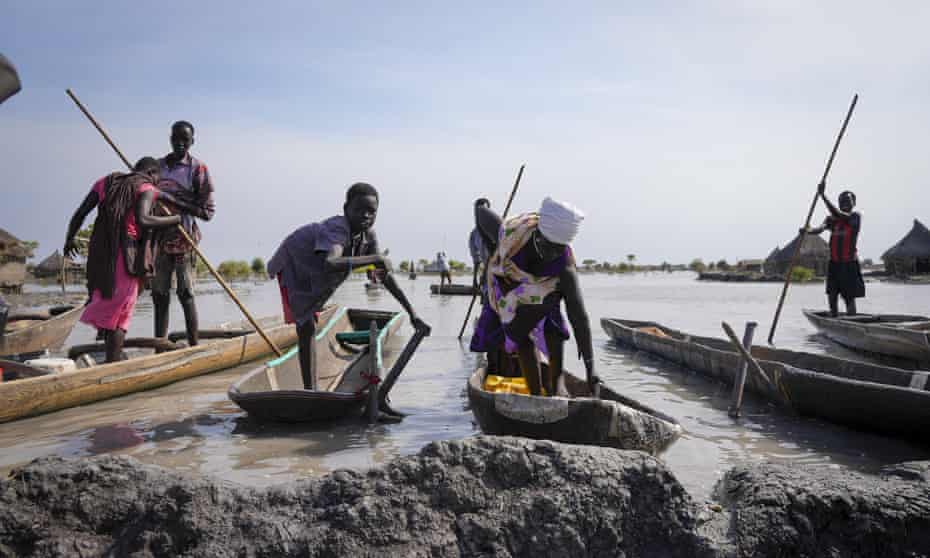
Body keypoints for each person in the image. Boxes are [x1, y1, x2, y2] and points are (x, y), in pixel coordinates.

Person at [267, 182, 429, 389]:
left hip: (317, 271)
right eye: (359, 210)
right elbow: (331, 262)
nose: (366, 216)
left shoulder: (368, 236)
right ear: (346, 210)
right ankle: (311, 391)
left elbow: (384, 275)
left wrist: (412, 313)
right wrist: (375, 258)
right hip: (296, 260)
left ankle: (311, 390)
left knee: (308, 322)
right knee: (306, 324)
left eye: (372, 212)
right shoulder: (337, 229)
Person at [470, 196, 598, 396]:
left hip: (544, 289)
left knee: (552, 324)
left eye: (559, 249)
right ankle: (536, 394)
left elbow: (579, 316)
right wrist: (491, 248)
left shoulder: (564, 268)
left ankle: (555, 388)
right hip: (508, 282)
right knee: (521, 334)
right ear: (537, 235)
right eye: (549, 247)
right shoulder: (511, 233)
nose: (553, 254)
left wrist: (591, 368)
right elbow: (480, 212)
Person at [64, 158, 181, 362]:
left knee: (111, 308)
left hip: (99, 255)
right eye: (157, 180)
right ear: (153, 174)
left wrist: (70, 238)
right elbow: (144, 219)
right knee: (120, 315)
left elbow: (81, 213)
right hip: (124, 255)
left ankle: (112, 359)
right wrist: (174, 219)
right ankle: (113, 365)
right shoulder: (145, 187)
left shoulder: (105, 182)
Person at [152, 120, 215, 347]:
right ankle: (160, 347)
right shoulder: (157, 167)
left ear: (192, 142)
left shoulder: (198, 169)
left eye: (185, 141)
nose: (179, 144)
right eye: (175, 139)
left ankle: (193, 347)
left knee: (185, 294)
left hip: (185, 239)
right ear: (170, 138)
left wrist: (175, 202)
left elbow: (208, 212)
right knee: (159, 295)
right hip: (158, 241)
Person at [803, 181, 864, 317]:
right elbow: (820, 229)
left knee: (849, 297)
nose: (845, 204)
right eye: (842, 201)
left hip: (849, 264)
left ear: (853, 203)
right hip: (834, 264)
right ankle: (834, 318)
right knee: (832, 294)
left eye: (848, 201)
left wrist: (823, 196)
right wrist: (807, 231)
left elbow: (838, 213)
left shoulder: (855, 217)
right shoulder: (831, 220)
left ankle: (852, 320)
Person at [468, 198, 493, 298]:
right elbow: (476, 260)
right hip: (486, 275)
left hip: (499, 271)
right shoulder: (474, 234)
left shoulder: (496, 228)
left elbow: (494, 254)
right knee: (485, 299)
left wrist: (485, 272)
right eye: (478, 210)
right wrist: (474, 280)